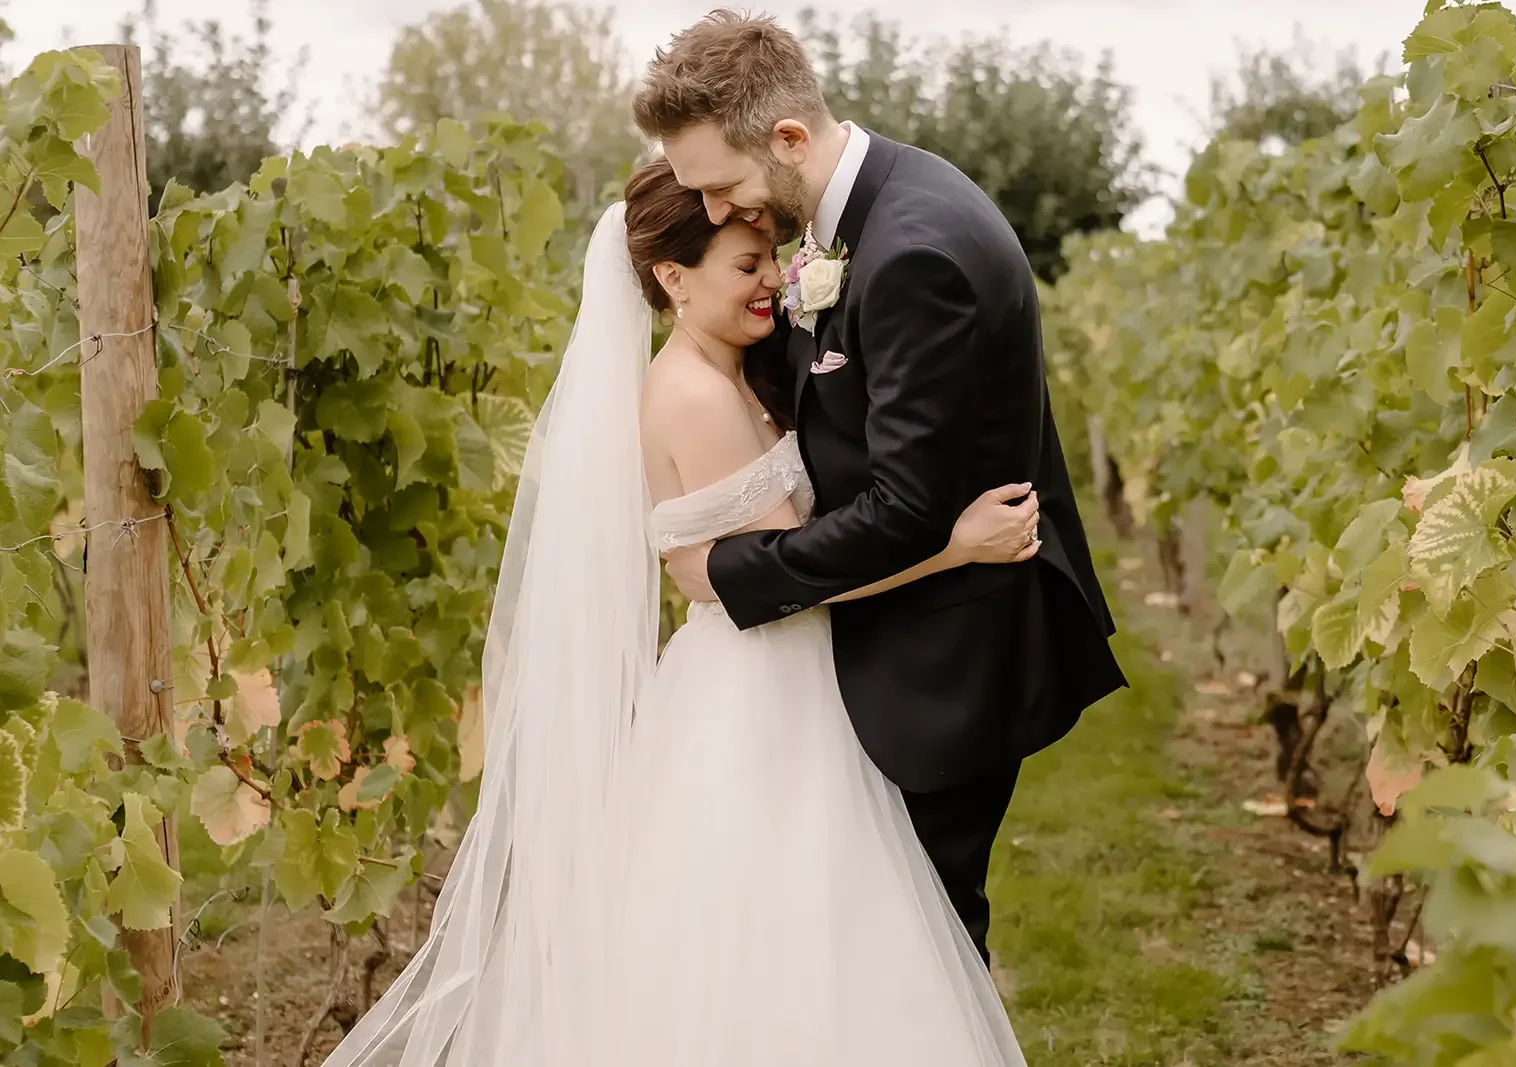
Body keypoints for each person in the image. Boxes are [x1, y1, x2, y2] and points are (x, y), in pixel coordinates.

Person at [315, 166, 1037, 1064]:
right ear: (672, 279)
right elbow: (794, 574)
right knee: (782, 933)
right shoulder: (693, 394)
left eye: (772, 255)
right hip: (765, 688)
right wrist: (952, 545)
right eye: (746, 263)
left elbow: (733, 563)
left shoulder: (732, 370)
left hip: (771, 672)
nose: (771, 278)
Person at [638, 9, 1127, 966]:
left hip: (943, 662)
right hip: (905, 640)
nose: (720, 213)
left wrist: (729, 569)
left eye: (724, 186)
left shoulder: (910, 252)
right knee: (873, 952)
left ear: (786, 139)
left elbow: (905, 508)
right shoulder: (872, 210)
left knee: (914, 961)